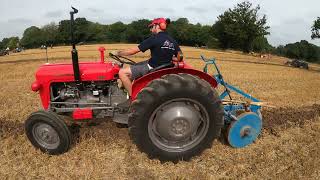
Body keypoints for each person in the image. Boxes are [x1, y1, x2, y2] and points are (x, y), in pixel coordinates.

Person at [111, 18, 182, 98]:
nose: (151, 30)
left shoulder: (154, 38)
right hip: (163, 67)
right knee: (134, 66)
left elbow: (132, 51)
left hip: (152, 67)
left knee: (122, 72)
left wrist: (118, 53)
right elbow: (180, 57)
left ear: (158, 26)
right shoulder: (173, 41)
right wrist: (171, 58)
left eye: (152, 27)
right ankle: (128, 90)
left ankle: (131, 97)